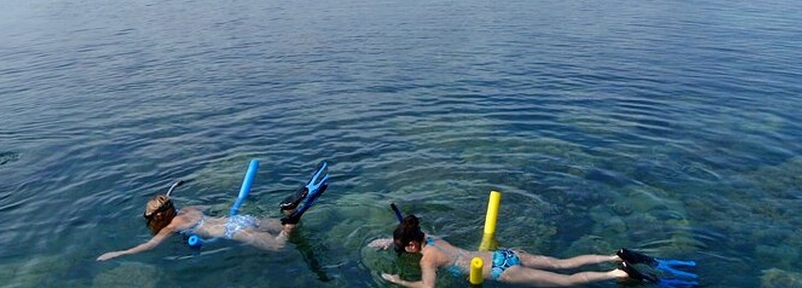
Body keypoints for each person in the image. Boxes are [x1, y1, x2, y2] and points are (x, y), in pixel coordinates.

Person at [97, 162, 329, 261]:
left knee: (280, 245)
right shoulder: (188, 209)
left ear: (158, 216)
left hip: (233, 231)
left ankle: (290, 220)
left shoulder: (172, 226)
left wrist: (118, 253)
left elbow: (149, 245)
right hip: (238, 218)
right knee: (281, 227)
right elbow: (206, 207)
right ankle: (291, 210)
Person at [375, 214, 657, 287]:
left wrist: (398, 280)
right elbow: (410, 234)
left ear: (412, 245)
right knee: (562, 264)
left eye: (404, 248)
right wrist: (392, 240)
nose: (407, 253)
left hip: (502, 271)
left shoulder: (428, 258)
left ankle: (615, 274)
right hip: (506, 255)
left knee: (568, 282)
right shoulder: (433, 240)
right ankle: (614, 255)